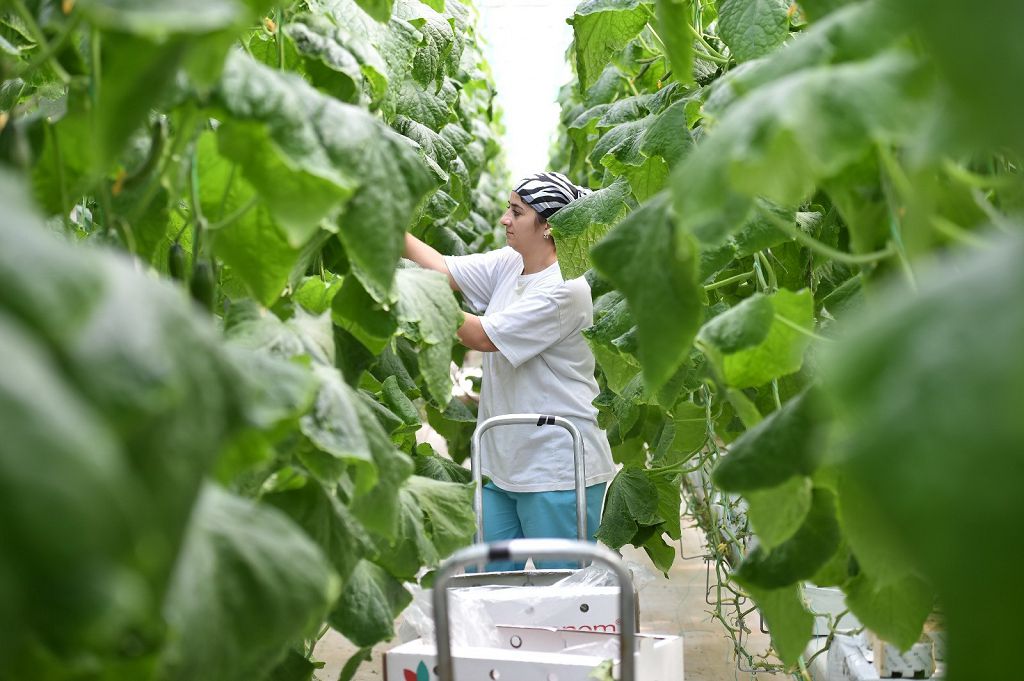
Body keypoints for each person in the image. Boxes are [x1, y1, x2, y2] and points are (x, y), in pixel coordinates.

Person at [403, 171, 617, 570]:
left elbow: (481, 336)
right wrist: (386, 228)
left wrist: (412, 291)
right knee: (486, 582)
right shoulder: (512, 262)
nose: (505, 219)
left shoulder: (566, 288)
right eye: (508, 208)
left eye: (516, 212)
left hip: (557, 467)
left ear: (548, 225)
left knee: (563, 592)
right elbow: (445, 270)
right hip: (502, 463)